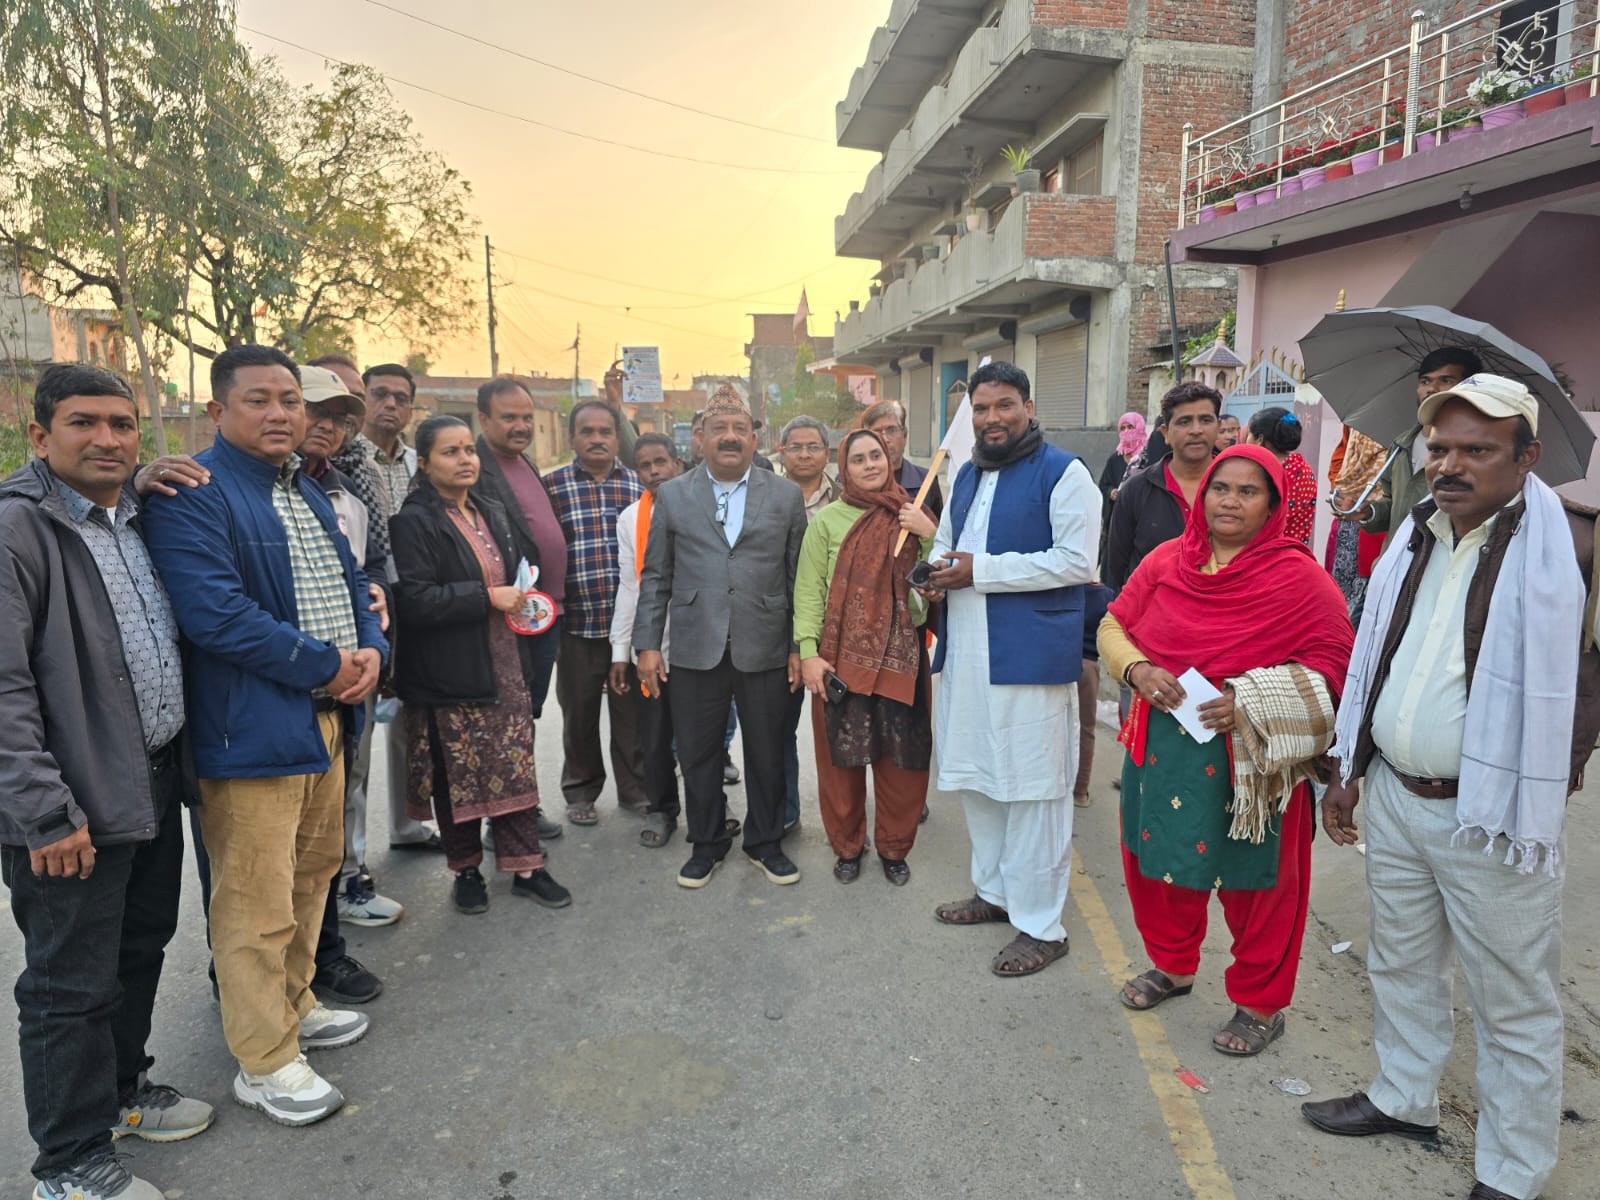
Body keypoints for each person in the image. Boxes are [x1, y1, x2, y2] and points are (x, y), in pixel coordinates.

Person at [1305, 374, 1600, 1200]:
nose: (1450, 465)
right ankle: (1403, 1096)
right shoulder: (1415, 534)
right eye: (1439, 448)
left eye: (1477, 450)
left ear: (1526, 459)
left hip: (1493, 816)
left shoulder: (1572, 545)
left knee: (1513, 1002)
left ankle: (1513, 1169)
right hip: (1397, 796)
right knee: (1401, 963)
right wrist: (1350, 767)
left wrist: (1557, 762)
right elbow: (1380, 654)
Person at [142, 345, 388, 1128]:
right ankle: (264, 1059)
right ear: (217, 411)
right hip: (250, 728)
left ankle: (294, 1004)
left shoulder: (303, 489)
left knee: (311, 877)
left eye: (291, 400)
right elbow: (214, 615)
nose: (281, 414)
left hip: (327, 718)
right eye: (259, 400)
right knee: (254, 900)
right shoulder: (194, 494)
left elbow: (353, 581)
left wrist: (372, 652)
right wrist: (328, 663)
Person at [1, 365, 214, 1200]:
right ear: (39, 435)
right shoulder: (19, 530)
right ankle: (69, 1162)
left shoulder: (132, 515)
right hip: (70, 804)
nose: (107, 439)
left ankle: (123, 1092)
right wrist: (44, 813)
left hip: (149, 780)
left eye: (122, 424)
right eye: (83, 422)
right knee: (68, 986)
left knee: (139, 946)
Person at [1098, 445, 1353, 1055]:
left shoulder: (1299, 578)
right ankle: (1173, 966)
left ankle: (1260, 1004)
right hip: (1165, 747)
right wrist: (1136, 670)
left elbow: (1337, 663)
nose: (1230, 501)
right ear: (1203, 495)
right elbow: (1113, 624)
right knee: (1160, 866)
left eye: (1247, 491)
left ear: (1272, 505)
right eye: (1220, 488)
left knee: (1260, 884)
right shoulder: (1167, 560)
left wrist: (1251, 701)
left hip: (1254, 765)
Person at [920, 361, 1100, 976]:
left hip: (1029, 657)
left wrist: (982, 571)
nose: (992, 418)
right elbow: (946, 543)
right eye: (981, 408)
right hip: (967, 655)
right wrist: (936, 574)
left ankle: (1042, 926)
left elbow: (1077, 562)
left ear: (1028, 406)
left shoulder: (1065, 472)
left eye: (1004, 405)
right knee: (979, 779)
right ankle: (995, 893)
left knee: (1034, 791)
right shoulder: (968, 473)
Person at [388, 416, 572, 916]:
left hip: (506, 664)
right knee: (459, 777)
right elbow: (415, 600)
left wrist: (522, 595)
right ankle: (466, 870)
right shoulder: (413, 522)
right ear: (424, 463)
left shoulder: (490, 509)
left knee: (514, 769)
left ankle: (527, 868)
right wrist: (487, 597)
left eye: (469, 450)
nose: (465, 459)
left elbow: (519, 570)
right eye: (450, 452)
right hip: (451, 671)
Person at [634, 385, 808, 889]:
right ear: (699, 438)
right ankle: (706, 843)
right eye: (719, 429)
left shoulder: (785, 495)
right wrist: (648, 644)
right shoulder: (673, 494)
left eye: (740, 429)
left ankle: (765, 842)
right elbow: (656, 575)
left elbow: (798, 578)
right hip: (696, 644)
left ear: (755, 438)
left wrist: (799, 647)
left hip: (766, 643)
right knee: (698, 752)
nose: (730, 437)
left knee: (768, 750)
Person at [794, 429, 938, 884]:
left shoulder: (913, 514)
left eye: (876, 455)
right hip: (840, 664)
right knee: (841, 763)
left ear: (889, 459)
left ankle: (895, 848)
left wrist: (930, 535)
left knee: (902, 762)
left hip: (902, 660)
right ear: (844, 468)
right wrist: (808, 653)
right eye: (858, 459)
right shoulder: (826, 523)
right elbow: (808, 592)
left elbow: (937, 577)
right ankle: (848, 847)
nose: (870, 464)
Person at [472, 376, 568, 840]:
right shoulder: (476, 467)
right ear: (484, 419)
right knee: (507, 720)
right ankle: (506, 819)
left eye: (527, 417)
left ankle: (521, 806)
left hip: (543, 614)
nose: (522, 426)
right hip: (508, 615)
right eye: (509, 417)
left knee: (527, 714)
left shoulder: (523, 461)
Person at [545, 399, 647, 825]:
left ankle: (636, 790)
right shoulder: (552, 487)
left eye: (605, 432)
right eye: (587, 432)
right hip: (577, 623)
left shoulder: (638, 485)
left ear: (617, 438)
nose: (597, 439)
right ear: (572, 438)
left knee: (632, 714)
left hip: (632, 625)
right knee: (579, 713)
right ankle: (581, 791)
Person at [608, 434, 687, 848]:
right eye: (645, 465)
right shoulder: (630, 519)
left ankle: (712, 807)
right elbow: (630, 586)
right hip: (652, 645)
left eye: (661, 462)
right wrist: (621, 650)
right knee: (653, 734)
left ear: (677, 463)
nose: (654, 471)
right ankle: (662, 808)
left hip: (698, 645)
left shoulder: (703, 505)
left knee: (700, 735)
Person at [776, 413, 840, 832]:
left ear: (827, 453)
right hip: (777, 630)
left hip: (836, 633)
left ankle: (847, 821)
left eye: (812, 447)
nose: (804, 454)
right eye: (795, 447)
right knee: (779, 728)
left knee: (841, 728)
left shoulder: (848, 498)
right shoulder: (764, 496)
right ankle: (785, 813)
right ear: (780, 452)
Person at [1354, 347, 1484, 548]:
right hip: (1397, 560)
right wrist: (1369, 512)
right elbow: (1395, 507)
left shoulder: (1476, 451)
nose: (1431, 389)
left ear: (1469, 387)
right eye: (1425, 381)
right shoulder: (1402, 444)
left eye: (1445, 380)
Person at [1104, 382, 1221, 592]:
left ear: (1218, 427)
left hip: (1224, 608)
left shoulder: (1240, 488)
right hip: (1150, 609)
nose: (1196, 430)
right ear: (1166, 432)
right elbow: (1116, 567)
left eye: (1205, 420)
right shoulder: (1136, 490)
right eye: (1184, 421)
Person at [1326, 425, 1388, 618]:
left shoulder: (1402, 436)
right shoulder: (1359, 422)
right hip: (1348, 517)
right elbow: (1340, 458)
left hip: (1382, 521)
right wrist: (1340, 488)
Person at [1244, 406, 1316, 546]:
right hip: (1289, 551)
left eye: (1249, 435)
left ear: (1259, 439)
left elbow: (1259, 521)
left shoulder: (1277, 473)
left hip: (1271, 552)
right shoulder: (1299, 467)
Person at [864, 398, 943, 518]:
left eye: (891, 430)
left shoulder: (926, 481)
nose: (885, 439)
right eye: (877, 432)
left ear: (904, 435)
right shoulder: (850, 482)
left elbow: (940, 528)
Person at [1098, 410, 1147, 529]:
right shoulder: (1115, 459)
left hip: (1142, 518)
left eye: (1130, 427)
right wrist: (1111, 492)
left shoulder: (1147, 457)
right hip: (1118, 519)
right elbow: (1104, 485)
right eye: (1123, 428)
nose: (1126, 432)